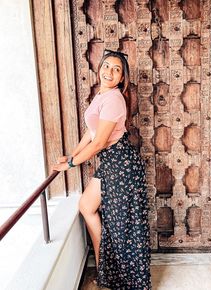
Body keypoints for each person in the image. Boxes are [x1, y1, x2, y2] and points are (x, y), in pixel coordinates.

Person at [53, 49, 151, 289]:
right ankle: (104, 269)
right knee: (87, 206)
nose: (110, 71)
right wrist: (73, 154)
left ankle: (125, 280)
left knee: (122, 227)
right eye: (107, 66)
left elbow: (99, 143)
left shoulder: (115, 99)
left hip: (121, 165)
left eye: (116, 69)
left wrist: (70, 165)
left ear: (121, 78)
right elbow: (91, 131)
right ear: (100, 69)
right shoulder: (102, 95)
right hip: (111, 163)